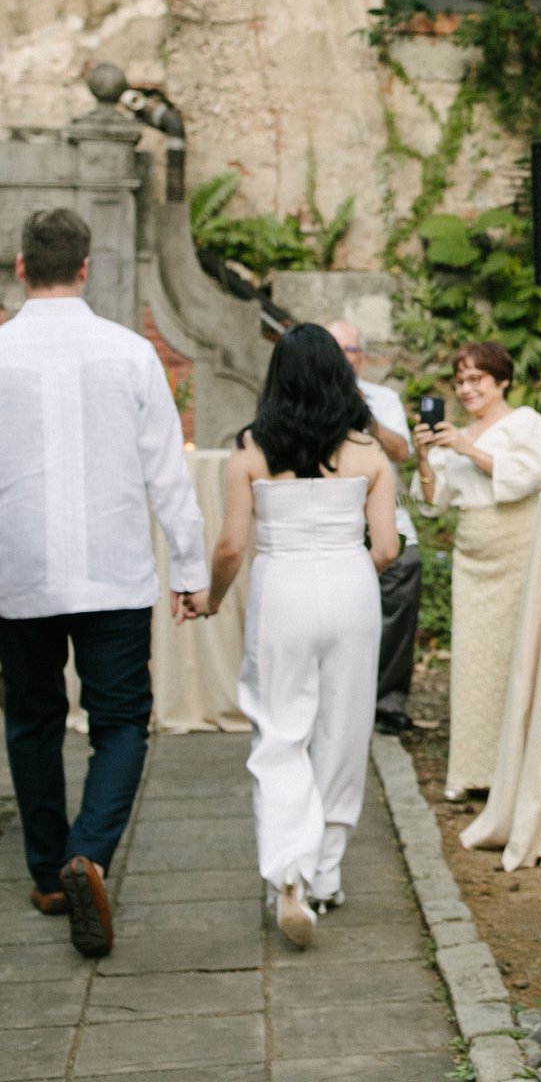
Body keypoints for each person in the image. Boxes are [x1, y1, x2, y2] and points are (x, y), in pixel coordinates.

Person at [0, 209, 207, 961]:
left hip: (21, 573)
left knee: (32, 718)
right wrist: (191, 566)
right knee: (121, 720)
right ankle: (90, 854)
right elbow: (165, 471)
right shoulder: (130, 353)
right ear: (86, 267)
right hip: (113, 570)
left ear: (21, 266)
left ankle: (52, 876)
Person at [212, 324, 401, 949]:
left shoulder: (249, 453)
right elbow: (387, 547)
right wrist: (346, 571)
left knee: (280, 731)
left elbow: (232, 546)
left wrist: (211, 599)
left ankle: (288, 871)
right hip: (351, 587)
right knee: (343, 731)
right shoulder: (370, 455)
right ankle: (325, 874)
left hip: (282, 589)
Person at [415, 340, 541, 802]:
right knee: (475, 662)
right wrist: (424, 455)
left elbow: (527, 476)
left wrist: (467, 447)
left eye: (476, 379)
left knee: (515, 655)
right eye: (460, 381)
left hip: (517, 548)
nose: (466, 389)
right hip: (471, 560)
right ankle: (473, 771)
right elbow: (431, 504)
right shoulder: (453, 435)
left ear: (502, 381)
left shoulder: (525, 422)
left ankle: (518, 771)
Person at [326, 320, 423, 736]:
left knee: (404, 576)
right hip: (334, 529)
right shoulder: (310, 401)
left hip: (389, 522)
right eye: (334, 349)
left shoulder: (383, 398)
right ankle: (337, 705)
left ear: (360, 357)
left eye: (348, 350)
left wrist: (363, 414)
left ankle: (385, 704)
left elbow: (402, 451)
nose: (342, 358)